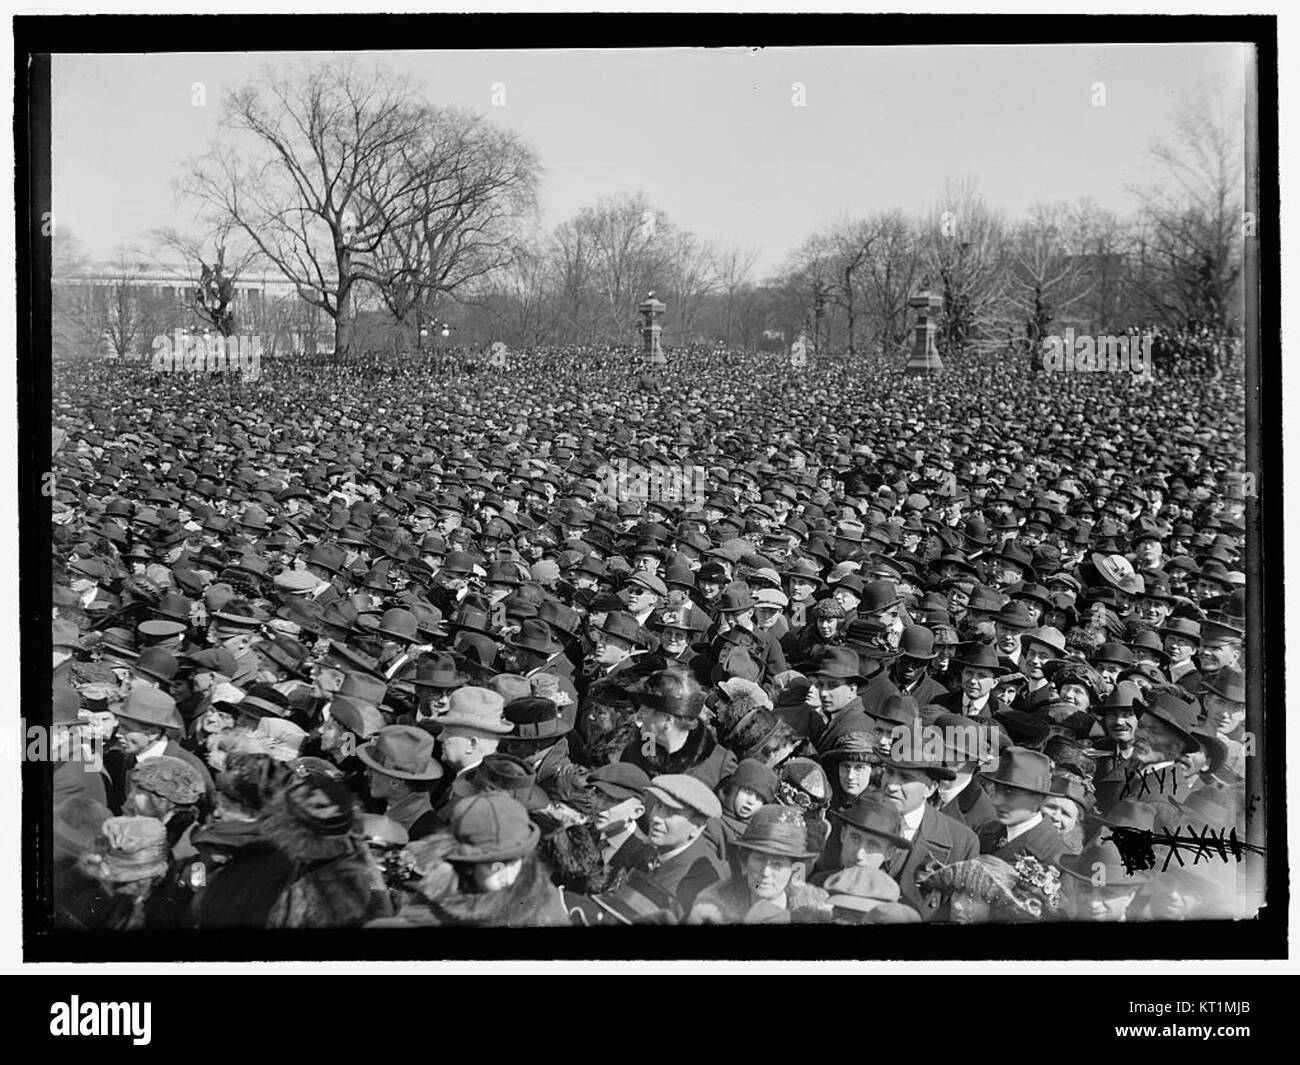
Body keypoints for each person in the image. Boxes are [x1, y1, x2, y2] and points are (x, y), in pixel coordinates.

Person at [376, 792, 569, 928]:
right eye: (496, 866)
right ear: (468, 863)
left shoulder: (543, 905)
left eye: (515, 861)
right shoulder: (430, 891)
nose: (508, 875)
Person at [688, 805, 831, 924]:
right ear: (745, 860)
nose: (765, 872)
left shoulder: (817, 912)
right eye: (759, 859)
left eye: (777, 863)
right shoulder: (711, 910)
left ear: (793, 869)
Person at [641, 773, 728, 915]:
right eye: (658, 805)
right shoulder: (666, 852)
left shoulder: (696, 883)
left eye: (671, 812)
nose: (656, 817)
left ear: (697, 827)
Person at [977, 747, 1070, 867]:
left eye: (1009, 793)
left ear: (1038, 798)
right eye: (997, 791)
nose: (997, 801)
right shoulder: (988, 831)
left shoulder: (1060, 859)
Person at [357, 725, 445, 839]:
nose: (365, 774)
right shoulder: (374, 802)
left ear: (395, 783)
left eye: (372, 771)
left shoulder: (426, 833)